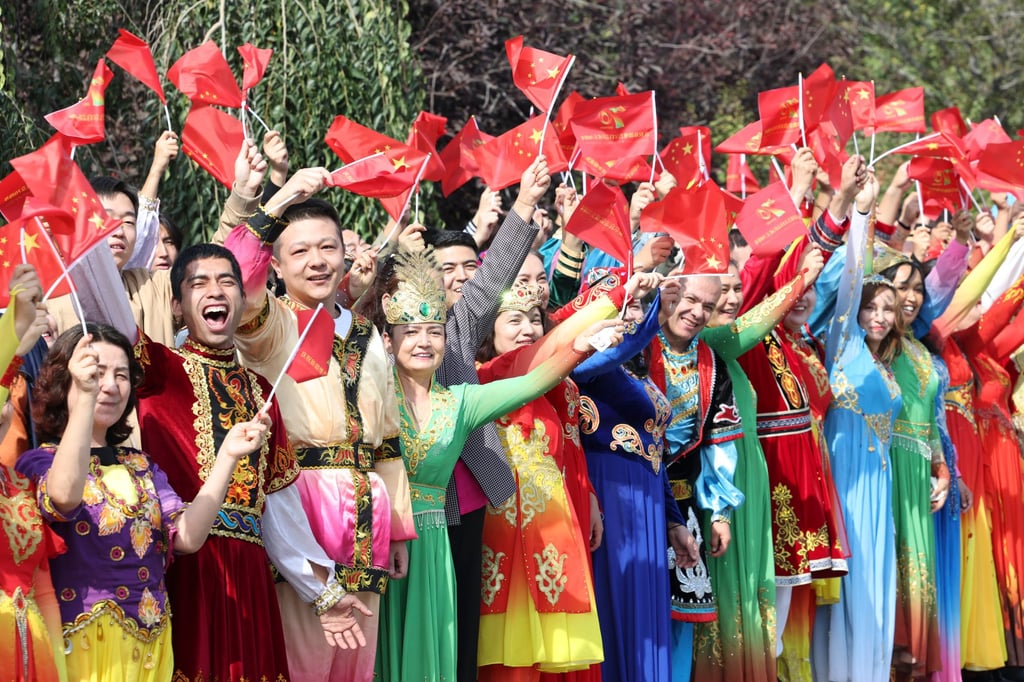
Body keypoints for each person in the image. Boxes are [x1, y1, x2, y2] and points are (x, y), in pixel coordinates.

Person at [79, 241, 366, 680]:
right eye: (199, 283)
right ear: (177, 306)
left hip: (249, 577)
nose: (215, 291)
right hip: (183, 567)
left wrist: (323, 593)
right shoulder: (157, 368)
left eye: (227, 281)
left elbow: (282, 512)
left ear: (242, 299)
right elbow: (106, 301)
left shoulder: (261, 393)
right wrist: (83, 227)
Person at [375, 250, 621, 682]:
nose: (423, 341)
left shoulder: (461, 401)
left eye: (435, 331)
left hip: (435, 544)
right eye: (410, 331)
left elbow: (529, 382)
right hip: (385, 533)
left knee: (441, 648)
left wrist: (579, 347)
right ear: (388, 340)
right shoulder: (373, 392)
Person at [220, 167, 416, 682]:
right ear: (277, 266)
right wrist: (281, 198)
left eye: (328, 248)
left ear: (345, 256)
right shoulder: (268, 325)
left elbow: (389, 441)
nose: (317, 261)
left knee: (356, 663)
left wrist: (396, 529)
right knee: (302, 657)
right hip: (297, 504)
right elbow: (234, 274)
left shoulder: (370, 335)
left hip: (365, 516)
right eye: (300, 251)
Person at [17, 324, 268, 680]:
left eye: (121, 375)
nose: (109, 385)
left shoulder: (141, 464)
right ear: (65, 380)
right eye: (96, 373)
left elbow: (186, 537)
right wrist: (85, 401)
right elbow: (62, 497)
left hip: (150, 646)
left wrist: (228, 455)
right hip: (82, 646)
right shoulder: (39, 461)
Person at [570, 271, 700, 682]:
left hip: (646, 505)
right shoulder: (586, 364)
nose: (632, 314)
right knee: (616, 609)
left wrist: (675, 521)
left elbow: (655, 449)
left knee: (645, 619)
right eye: (619, 305)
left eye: (638, 305)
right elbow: (609, 351)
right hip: (610, 499)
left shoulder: (635, 372)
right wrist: (655, 318)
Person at [811, 172, 905, 682]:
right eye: (873, 306)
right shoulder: (841, 345)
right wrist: (863, 213)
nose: (879, 315)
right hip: (844, 486)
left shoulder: (886, 367)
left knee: (875, 584)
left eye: (888, 309)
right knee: (850, 587)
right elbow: (847, 279)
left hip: (880, 490)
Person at [646, 271, 745, 681]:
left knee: (679, 616)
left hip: (682, 500)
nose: (697, 312)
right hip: (634, 494)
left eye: (708, 305)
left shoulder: (712, 365)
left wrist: (720, 512)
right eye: (690, 299)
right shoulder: (637, 347)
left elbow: (719, 444)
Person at [0, 265, 63, 682]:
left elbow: (44, 590)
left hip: (30, 647)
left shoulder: (21, 488)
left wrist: (56, 663)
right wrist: (14, 329)